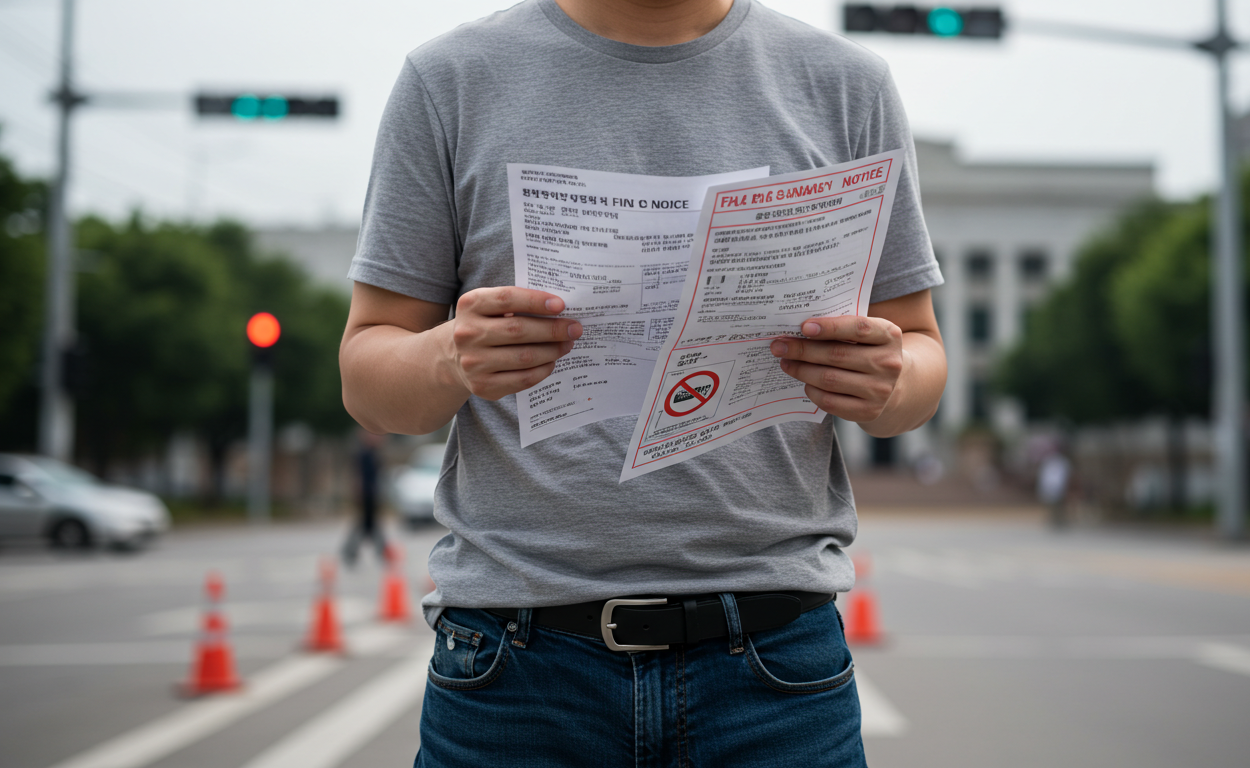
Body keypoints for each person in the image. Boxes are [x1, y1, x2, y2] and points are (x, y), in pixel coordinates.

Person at [339, 1, 948, 765]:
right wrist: (448, 358)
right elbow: (368, 375)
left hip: (774, 669)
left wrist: (888, 380)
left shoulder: (846, 85)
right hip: (518, 666)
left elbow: (919, 352)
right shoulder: (451, 80)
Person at [342, 428, 388, 565]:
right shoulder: (363, 454)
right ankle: (351, 550)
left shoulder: (374, 453)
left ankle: (380, 550)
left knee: (369, 524)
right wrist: (359, 493)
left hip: (373, 493)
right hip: (366, 494)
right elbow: (358, 476)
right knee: (367, 524)